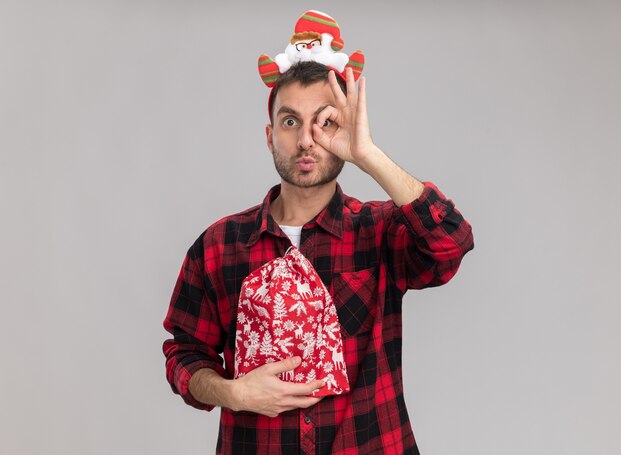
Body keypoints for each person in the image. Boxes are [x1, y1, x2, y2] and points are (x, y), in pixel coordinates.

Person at [163, 13, 473, 455]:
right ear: (270, 137)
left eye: (325, 122)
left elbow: (451, 243)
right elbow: (183, 353)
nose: (307, 139)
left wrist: (368, 155)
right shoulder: (219, 247)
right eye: (290, 122)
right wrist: (232, 393)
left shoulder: (380, 231)